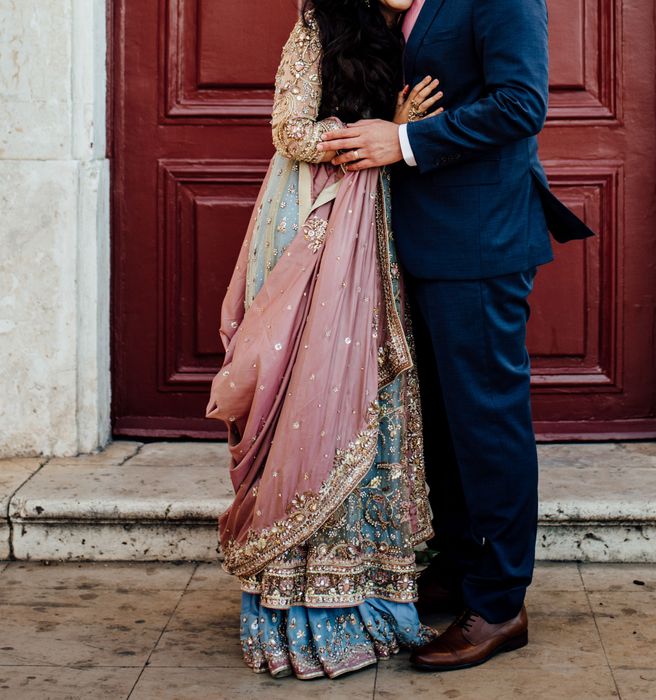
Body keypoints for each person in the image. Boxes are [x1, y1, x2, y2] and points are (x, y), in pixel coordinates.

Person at [318, 0, 595, 672]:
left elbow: (520, 104)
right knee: (441, 423)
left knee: (486, 422)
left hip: (481, 241)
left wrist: (403, 142)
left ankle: (500, 604)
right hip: (418, 242)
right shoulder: (403, 8)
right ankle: (463, 569)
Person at [206, 0, 442, 680]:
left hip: (377, 221)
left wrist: (396, 141)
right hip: (314, 221)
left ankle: (366, 591)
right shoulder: (318, 25)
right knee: (313, 396)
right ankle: (301, 606)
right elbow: (289, 130)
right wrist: (384, 133)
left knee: (372, 395)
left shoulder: (417, 27)